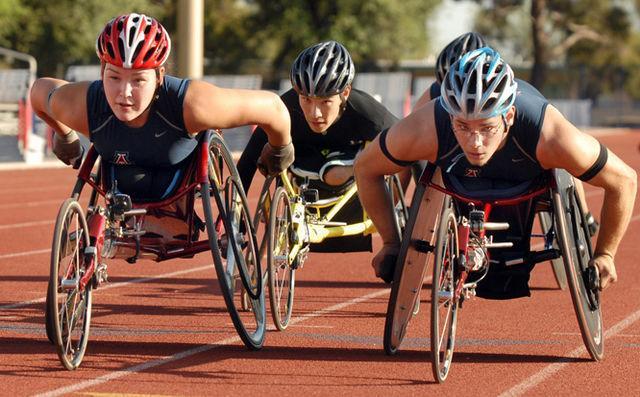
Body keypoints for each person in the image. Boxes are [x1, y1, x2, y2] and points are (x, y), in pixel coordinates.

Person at [354, 47, 636, 293]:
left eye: (487, 127)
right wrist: (391, 242)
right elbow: (366, 167)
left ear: (509, 116)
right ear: (450, 115)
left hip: (528, 174)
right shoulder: (426, 128)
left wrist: (606, 254)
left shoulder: (551, 135)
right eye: (462, 126)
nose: (475, 142)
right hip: (459, 179)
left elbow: (624, 180)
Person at [31, 13, 293, 201]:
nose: (124, 93)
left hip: (180, 180)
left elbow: (273, 107)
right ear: (102, 71)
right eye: (114, 77)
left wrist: (280, 148)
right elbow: (39, 91)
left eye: (138, 80)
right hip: (119, 180)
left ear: (159, 76)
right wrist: (65, 135)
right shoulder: (82, 106)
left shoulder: (194, 104)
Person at [416, 32, 600, 234]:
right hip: (461, 156)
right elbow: (412, 137)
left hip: (510, 154)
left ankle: (584, 209)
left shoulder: (505, 94)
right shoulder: (436, 93)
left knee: (565, 158)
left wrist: (583, 214)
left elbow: (569, 153)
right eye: (445, 84)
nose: (463, 98)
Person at [237, 40, 402, 252]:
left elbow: (413, 154)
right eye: (306, 99)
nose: (315, 113)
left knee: (386, 156)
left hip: (349, 164)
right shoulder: (284, 108)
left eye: (325, 102)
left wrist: (396, 233)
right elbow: (247, 165)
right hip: (300, 162)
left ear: (345, 93)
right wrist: (237, 222)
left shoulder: (369, 114)